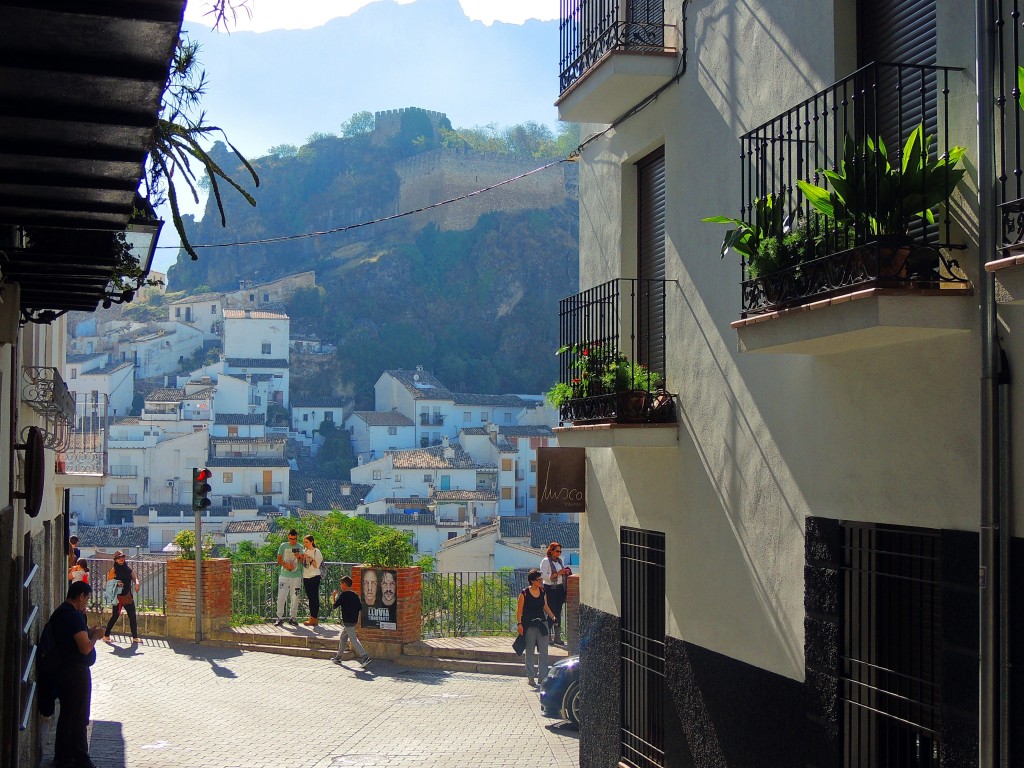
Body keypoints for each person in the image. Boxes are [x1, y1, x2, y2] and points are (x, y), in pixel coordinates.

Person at [47, 581, 104, 768]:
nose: (86, 603)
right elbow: (85, 648)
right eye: (86, 599)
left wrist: (87, 631)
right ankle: (81, 759)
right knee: (79, 716)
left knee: (67, 715)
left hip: (63, 671)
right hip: (74, 673)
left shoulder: (61, 613)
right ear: (81, 596)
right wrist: (95, 635)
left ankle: (64, 757)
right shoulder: (73, 617)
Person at [516, 568, 557, 687]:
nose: (541, 581)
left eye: (541, 579)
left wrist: (553, 617)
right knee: (530, 651)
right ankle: (530, 677)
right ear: (532, 581)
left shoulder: (542, 591)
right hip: (529, 624)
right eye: (539, 580)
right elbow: (519, 611)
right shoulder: (524, 593)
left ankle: (542, 677)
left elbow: (545, 606)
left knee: (544, 651)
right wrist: (519, 624)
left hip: (541, 624)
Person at [330, 576, 371, 667]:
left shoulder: (343, 595)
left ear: (344, 585)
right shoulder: (355, 595)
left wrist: (333, 596)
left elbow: (334, 606)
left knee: (353, 639)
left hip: (347, 621)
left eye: (341, 584)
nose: (340, 586)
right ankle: (338, 658)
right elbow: (360, 608)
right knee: (343, 638)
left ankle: (365, 657)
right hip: (353, 620)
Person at [103, 550, 141, 644]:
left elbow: (134, 577)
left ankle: (135, 637)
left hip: (127, 595)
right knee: (115, 616)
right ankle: (106, 635)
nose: (121, 559)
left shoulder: (127, 568)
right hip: (118, 596)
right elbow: (109, 583)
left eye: (122, 557)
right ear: (115, 560)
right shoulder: (113, 570)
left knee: (132, 616)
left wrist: (137, 583)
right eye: (119, 558)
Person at [540, 542, 571, 646]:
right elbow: (544, 576)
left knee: (558, 612)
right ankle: (548, 636)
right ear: (551, 550)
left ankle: (557, 637)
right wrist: (558, 573)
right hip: (550, 589)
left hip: (559, 589)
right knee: (550, 612)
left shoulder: (559, 561)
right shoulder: (545, 561)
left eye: (560, 551)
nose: (559, 553)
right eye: (557, 551)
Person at [274, 529, 303, 626]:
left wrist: (299, 557)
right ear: (288, 537)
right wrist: (286, 566)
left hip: (296, 575)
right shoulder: (283, 546)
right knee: (281, 596)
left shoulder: (300, 547)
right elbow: (279, 559)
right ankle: (279, 617)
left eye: (294, 539)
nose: (292, 541)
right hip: (284, 574)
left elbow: (303, 561)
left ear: (297, 538)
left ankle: (293, 617)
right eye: (291, 539)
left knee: (295, 596)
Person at [299, 534, 324, 626]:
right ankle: (312, 617)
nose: (305, 544)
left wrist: (308, 558)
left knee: (314, 598)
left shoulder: (316, 551)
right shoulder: (305, 550)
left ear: (311, 542)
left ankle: (314, 617)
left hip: (314, 576)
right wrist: (300, 557)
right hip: (306, 576)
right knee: (310, 598)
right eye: (304, 542)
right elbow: (303, 563)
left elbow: (316, 565)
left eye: (307, 542)